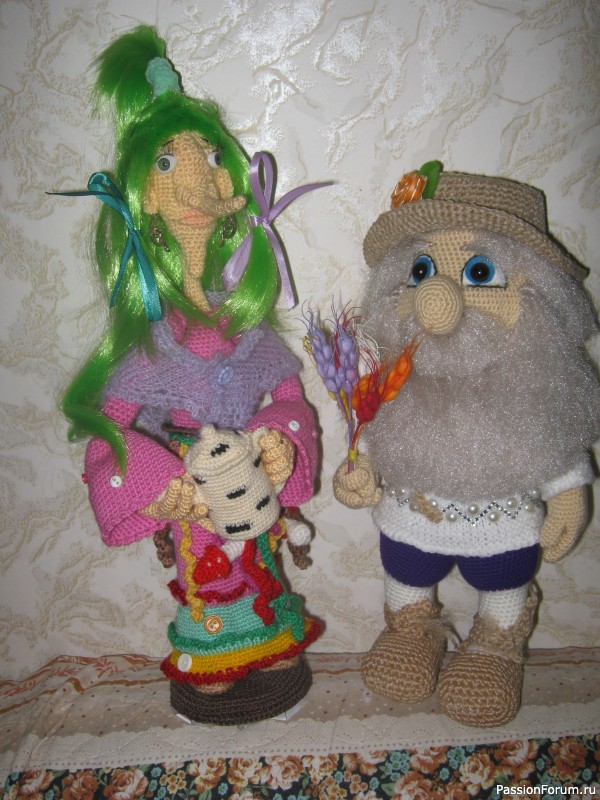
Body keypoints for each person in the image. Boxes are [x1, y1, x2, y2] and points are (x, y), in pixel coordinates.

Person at [61, 25, 320, 724]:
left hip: (251, 483)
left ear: (230, 182)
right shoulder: (147, 343)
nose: (200, 180)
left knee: (263, 565)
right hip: (191, 493)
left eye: (209, 158)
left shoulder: (245, 324)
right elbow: (109, 429)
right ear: (145, 194)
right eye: (170, 163)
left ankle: (273, 641)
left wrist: (278, 440)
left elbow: (289, 394)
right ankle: (212, 655)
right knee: (208, 573)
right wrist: (155, 487)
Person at [334, 165, 600, 726]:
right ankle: (411, 631)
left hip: (503, 526)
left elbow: (556, 438)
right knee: (405, 569)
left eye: (480, 271)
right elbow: (371, 434)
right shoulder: (396, 377)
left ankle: (494, 646)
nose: (438, 296)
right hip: (412, 519)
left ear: (537, 294)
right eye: (422, 270)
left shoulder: (536, 385)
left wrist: (569, 494)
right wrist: (360, 472)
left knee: (504, 580)